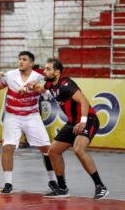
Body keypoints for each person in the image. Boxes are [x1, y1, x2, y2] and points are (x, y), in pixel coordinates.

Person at [23, 58, 109, 200]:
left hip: (88, 119)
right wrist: (32, 86)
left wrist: (82, 121)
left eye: (48, 69)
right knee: (53, 151)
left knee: (79, 149)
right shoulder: (51, 83)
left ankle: (100, 186)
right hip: (72, 122)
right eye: (44, 68)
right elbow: (42, 88)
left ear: (57, 72)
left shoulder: (66, 84)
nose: (44, 71)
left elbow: (84, 101)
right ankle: (62, 188)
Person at [0, 51, 58, 194]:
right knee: (7, 148)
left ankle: (52, 181)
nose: (20, 61)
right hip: (12, 116)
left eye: (24, 59)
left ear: (31, 63)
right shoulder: (10, 75)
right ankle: (8, 183)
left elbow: (48, 91)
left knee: (47, 149)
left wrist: (30, 88)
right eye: (19, 59)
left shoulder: (39, 78)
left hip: (32, 116)